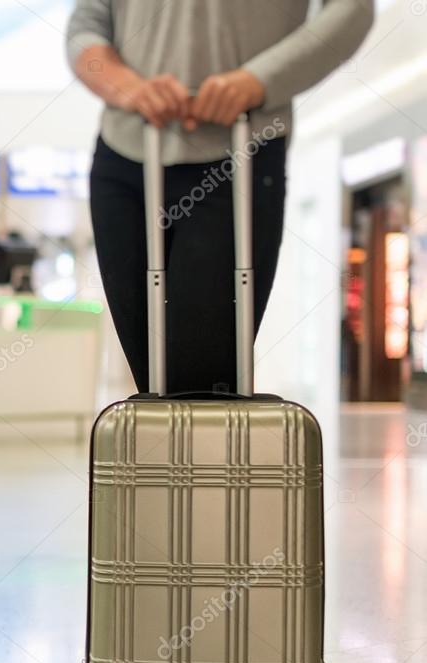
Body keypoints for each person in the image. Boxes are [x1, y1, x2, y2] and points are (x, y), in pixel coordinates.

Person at [67, 0, 374, 394]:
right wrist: (129, 87)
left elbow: (352, 11)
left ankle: (204, 452)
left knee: (200, 377)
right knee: (152, 378)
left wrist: (258, 79)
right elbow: (86, 28)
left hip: (239, 149)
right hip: (127, 152)